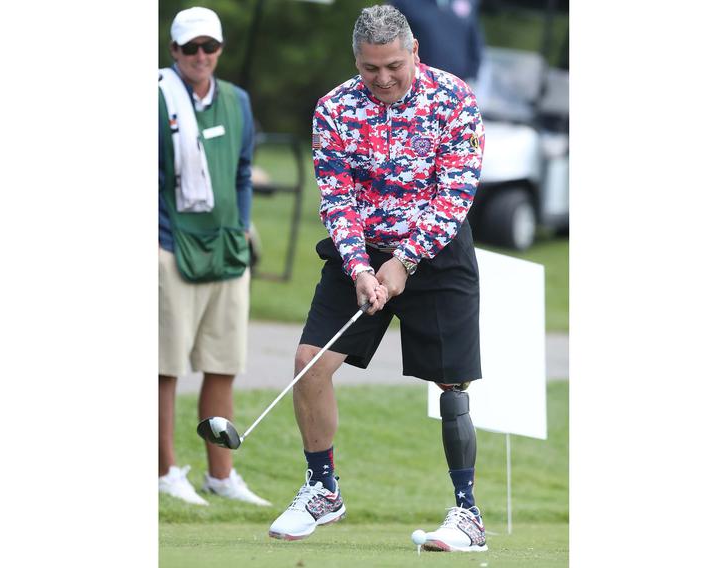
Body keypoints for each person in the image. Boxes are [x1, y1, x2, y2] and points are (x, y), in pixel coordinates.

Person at [268, 4, 487, 552]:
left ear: (415, 53)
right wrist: (361, 267)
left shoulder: (454, 99)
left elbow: (455, 192)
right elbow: (337, 199)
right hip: (359, 253)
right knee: (309, 365)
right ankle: (323, 490)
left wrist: (406, 261)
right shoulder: (334, 110)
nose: (384, 79)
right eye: (371, 69)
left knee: (451, 383)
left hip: (437, 250)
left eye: (394, 65)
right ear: (356, 62)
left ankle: (467, 517)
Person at [158, 6, 270, 508]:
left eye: (210, 47)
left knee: (222, 363)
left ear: (219, 49)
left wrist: (242, 227)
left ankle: (220, 474)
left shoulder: (238, 101)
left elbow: (243, 170)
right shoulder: (156, 98)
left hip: (226, 247)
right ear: (174, 51)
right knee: (164, 366)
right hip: (169, 244)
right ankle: (163, 470)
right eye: (190, 48)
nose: (201, 56)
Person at [391, 0, 484, 83]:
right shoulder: (403, 2)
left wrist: (471, 76)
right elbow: (390, 38)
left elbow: (474, 41)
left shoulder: (468, 3)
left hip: (457, 85)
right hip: (418, 83)